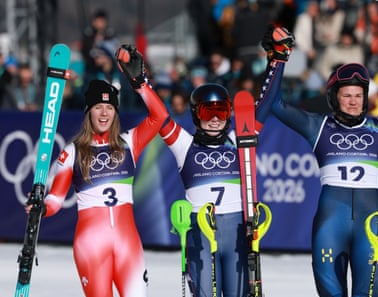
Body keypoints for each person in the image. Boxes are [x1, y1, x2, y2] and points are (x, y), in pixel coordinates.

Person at [270, 46, 378, 296]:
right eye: (347, 95)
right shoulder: (318, 126)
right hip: (330, 226)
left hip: (369, 226)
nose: (353, 101)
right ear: (334, 97)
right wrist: (278, 58)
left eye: (358, 96)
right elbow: (274, 104)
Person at [157, 26, 294, 297]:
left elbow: (265, 104)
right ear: (197, 115)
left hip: (237, 233)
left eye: (221, 111)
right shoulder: (185, 144)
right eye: (209, 111)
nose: (216, 118)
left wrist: (277, 60)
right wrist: (141, 84)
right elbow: (160, 117)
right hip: (199, 235)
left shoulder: (239, 138)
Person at [25, 45, 169, 297]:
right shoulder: (72, 152)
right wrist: (41, 207)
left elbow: (160, 116)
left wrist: (139, 82)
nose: (104, 113)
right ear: (88, 111)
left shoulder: (129, 143)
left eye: (110, 108)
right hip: (91, 246)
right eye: (98, 108)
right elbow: (56, 199)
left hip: (128, 244)